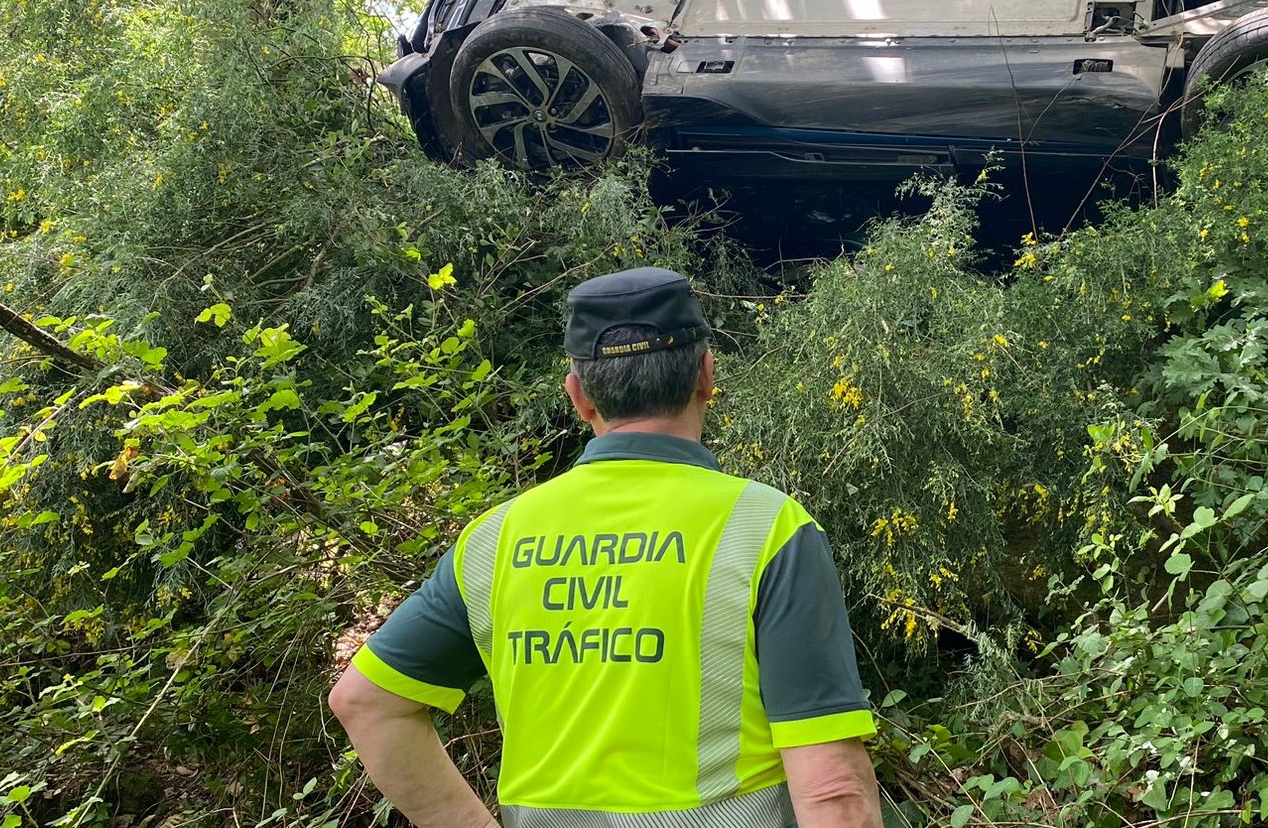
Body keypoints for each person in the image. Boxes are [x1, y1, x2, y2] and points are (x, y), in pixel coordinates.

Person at [329, 266, 884, 828]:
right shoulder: (768, 529)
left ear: (579, 396)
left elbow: (367, 703)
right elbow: (834, 793)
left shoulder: (495, 539)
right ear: (706, 376)